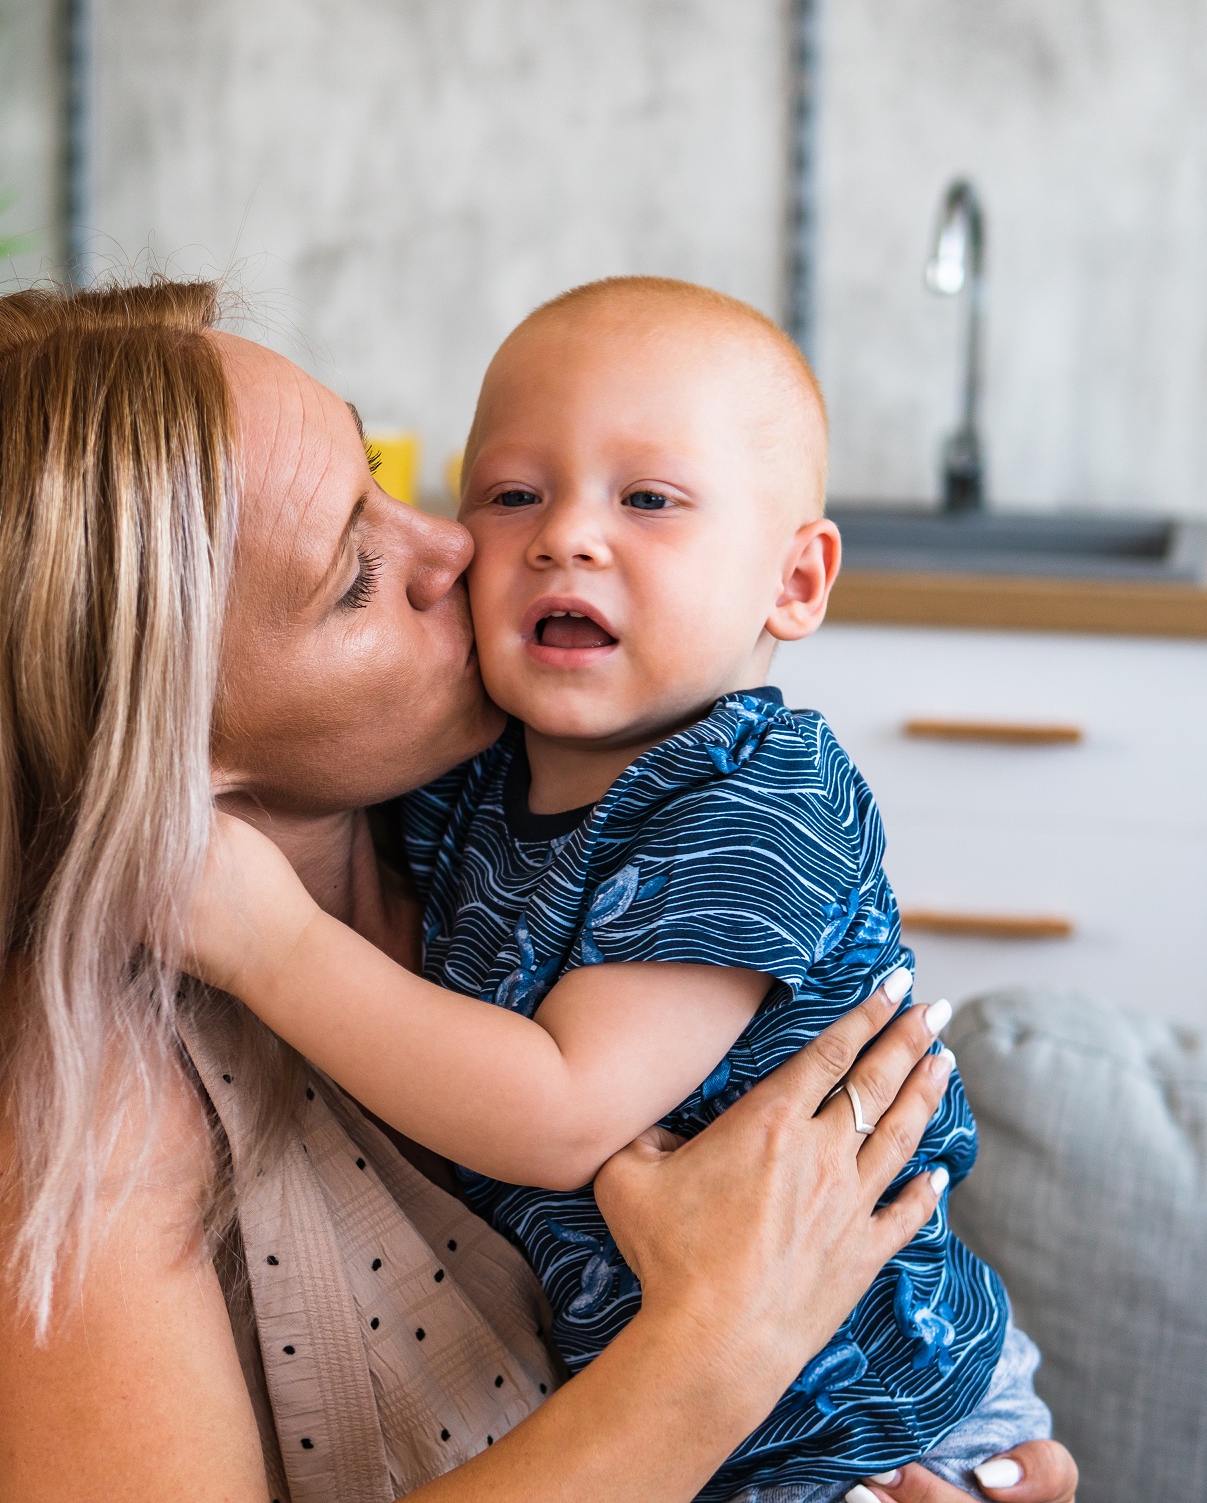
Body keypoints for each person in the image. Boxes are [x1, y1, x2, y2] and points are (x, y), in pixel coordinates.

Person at [0, 279, 1078, 1503]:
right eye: (354, 576)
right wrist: (722, 1336)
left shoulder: (534, 803)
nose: (456, 545)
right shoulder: (88, 1115)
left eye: (387, 483)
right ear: (170, 748)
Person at [187, 277, 1048, 1502]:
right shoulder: (476, 780)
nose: (564, 537)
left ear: (794, 585)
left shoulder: (759, 799)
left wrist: (265, 942)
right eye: (512, 494)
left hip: (863, 1416)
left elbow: (558, 1113)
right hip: (690, 1417)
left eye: (647, 499)